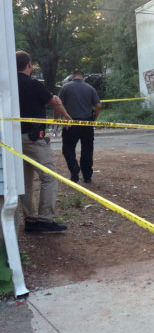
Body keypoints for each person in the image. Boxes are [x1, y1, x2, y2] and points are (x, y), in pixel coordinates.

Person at [16, 50, 72, 232]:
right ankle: (46, 220)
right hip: (34, 139)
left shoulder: (9, 84)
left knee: (26, 180)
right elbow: (54, 102)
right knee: (49, 177)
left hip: (15, 139)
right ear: (29, 65)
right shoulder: (34, 85)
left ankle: (30, 220)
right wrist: (65, 115)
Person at [59, 69, 101, 183]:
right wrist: (93, 119)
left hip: (70, 122)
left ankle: (73, 167)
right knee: (87, 149)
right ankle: (87, 177)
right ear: (83, 77)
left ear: (73, 76)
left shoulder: (65, 87)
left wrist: (60, 118)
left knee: (68, 148)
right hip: (87, 123)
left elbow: (59, 104)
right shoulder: (90, 88)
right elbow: (98, 105)